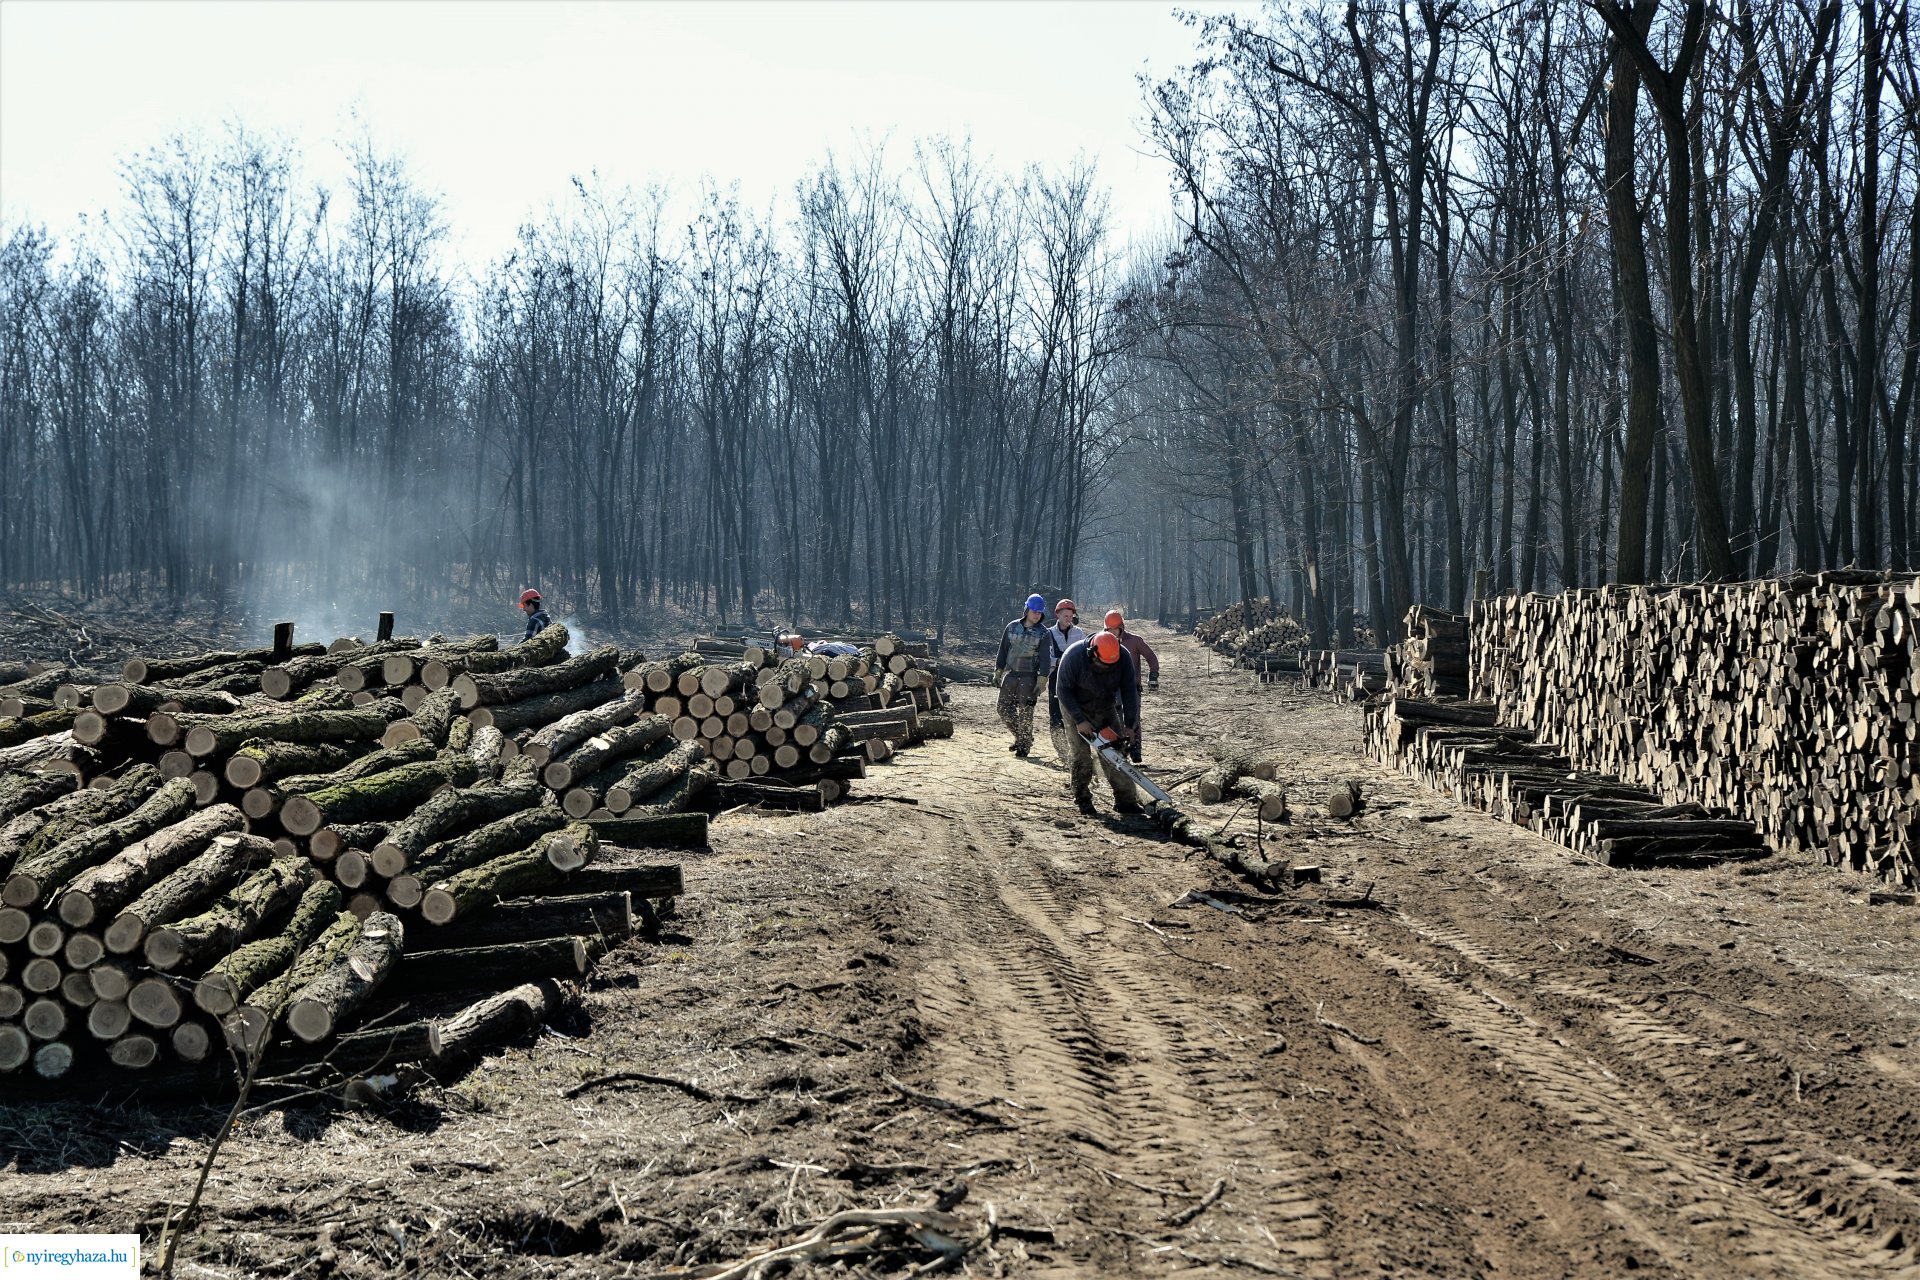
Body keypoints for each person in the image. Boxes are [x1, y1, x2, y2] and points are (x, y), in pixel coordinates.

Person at [1054, 631, 1142, 816]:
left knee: (1115, 753)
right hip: (1074, 706)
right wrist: (1079, 720)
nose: (1105, 669)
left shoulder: (1123, 656)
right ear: (1092, 653)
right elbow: (1062, 690)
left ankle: (1125, 800)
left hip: (1105, 705)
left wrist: (1130, 724)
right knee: (1081, 754)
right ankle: (1082, 797)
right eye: (1102, 665)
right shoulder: (1073, 656)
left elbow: (1129, 691)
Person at [994, 594, 1053, 756]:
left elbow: (1045, 660)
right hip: (1011, 675)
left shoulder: (1044, 633)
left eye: (1039, 612)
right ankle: (1022, 737)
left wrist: (1041, 680)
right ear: (1027, 610)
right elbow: (1003, 650)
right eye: (1034, 611)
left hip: (1029, 678)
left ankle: (1024, 746)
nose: (1036, 615)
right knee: (1003, 708)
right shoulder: (1011, 627)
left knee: (1026, 712)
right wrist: (998, 671)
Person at [1103, 609, 1159, 763]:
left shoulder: (1135, 641)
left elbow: (1151, 657)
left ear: (1122, 627)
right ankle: (1118, 750)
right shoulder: (1102, 642)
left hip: (1132, 688)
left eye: (1115, 629)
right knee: (1115, 720)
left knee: (1133, 719)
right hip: (1113, 688)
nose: (1113, 632)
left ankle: (1135, 749)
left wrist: (1153, 675)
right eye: (1109, 629)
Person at [1043, 598, 1088, 758]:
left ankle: (1076, 748)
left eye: (1070, 616)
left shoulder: (1079, 633)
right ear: (1058, 615)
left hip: (1076, 679)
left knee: (1075, 712)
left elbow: (1084, 656)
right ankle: (1061, 750)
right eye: (1065, 616)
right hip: (1056, 677)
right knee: (1055, 713)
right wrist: (1059, 661)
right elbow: (1044, 659)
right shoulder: (1048, 634)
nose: (1068, 619)